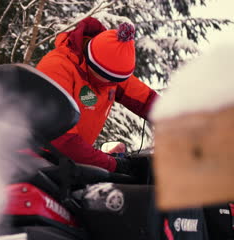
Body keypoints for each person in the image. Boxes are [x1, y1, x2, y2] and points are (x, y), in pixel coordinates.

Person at [36, 17, 158, 174]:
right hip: (36, 160)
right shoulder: (57, 68)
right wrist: (115, 165)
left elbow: (147, 100)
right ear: (91, 62)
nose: (110, 83)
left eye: (116, 80)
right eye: (106, 77)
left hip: (68, 162)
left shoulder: (110, 71)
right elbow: (62, 140)